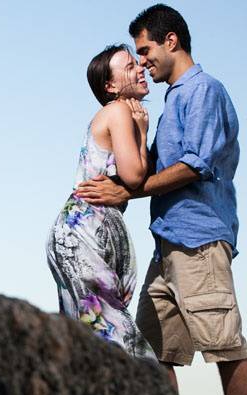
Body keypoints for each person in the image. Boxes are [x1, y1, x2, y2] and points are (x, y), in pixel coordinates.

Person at [76, 4, 247, 395]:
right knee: (152, 352)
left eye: (144, 50)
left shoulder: (202, 91)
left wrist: (129, 190)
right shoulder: (174, 99)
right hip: (167, 244)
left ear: (171, 42)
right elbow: (152, 168)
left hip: (199, 240)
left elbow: (195, 165)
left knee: (226, 347)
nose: (142, 61)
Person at [45, 44, 157, 362]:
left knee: (89, 339)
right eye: (129, 66)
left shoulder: (114, 114)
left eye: (138, 63)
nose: (140, 69)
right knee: (122, 341)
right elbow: (134, 176)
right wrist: (143, 134)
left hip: (81, 229)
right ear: (110, 86)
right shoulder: (119, 110)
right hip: (83, 233)